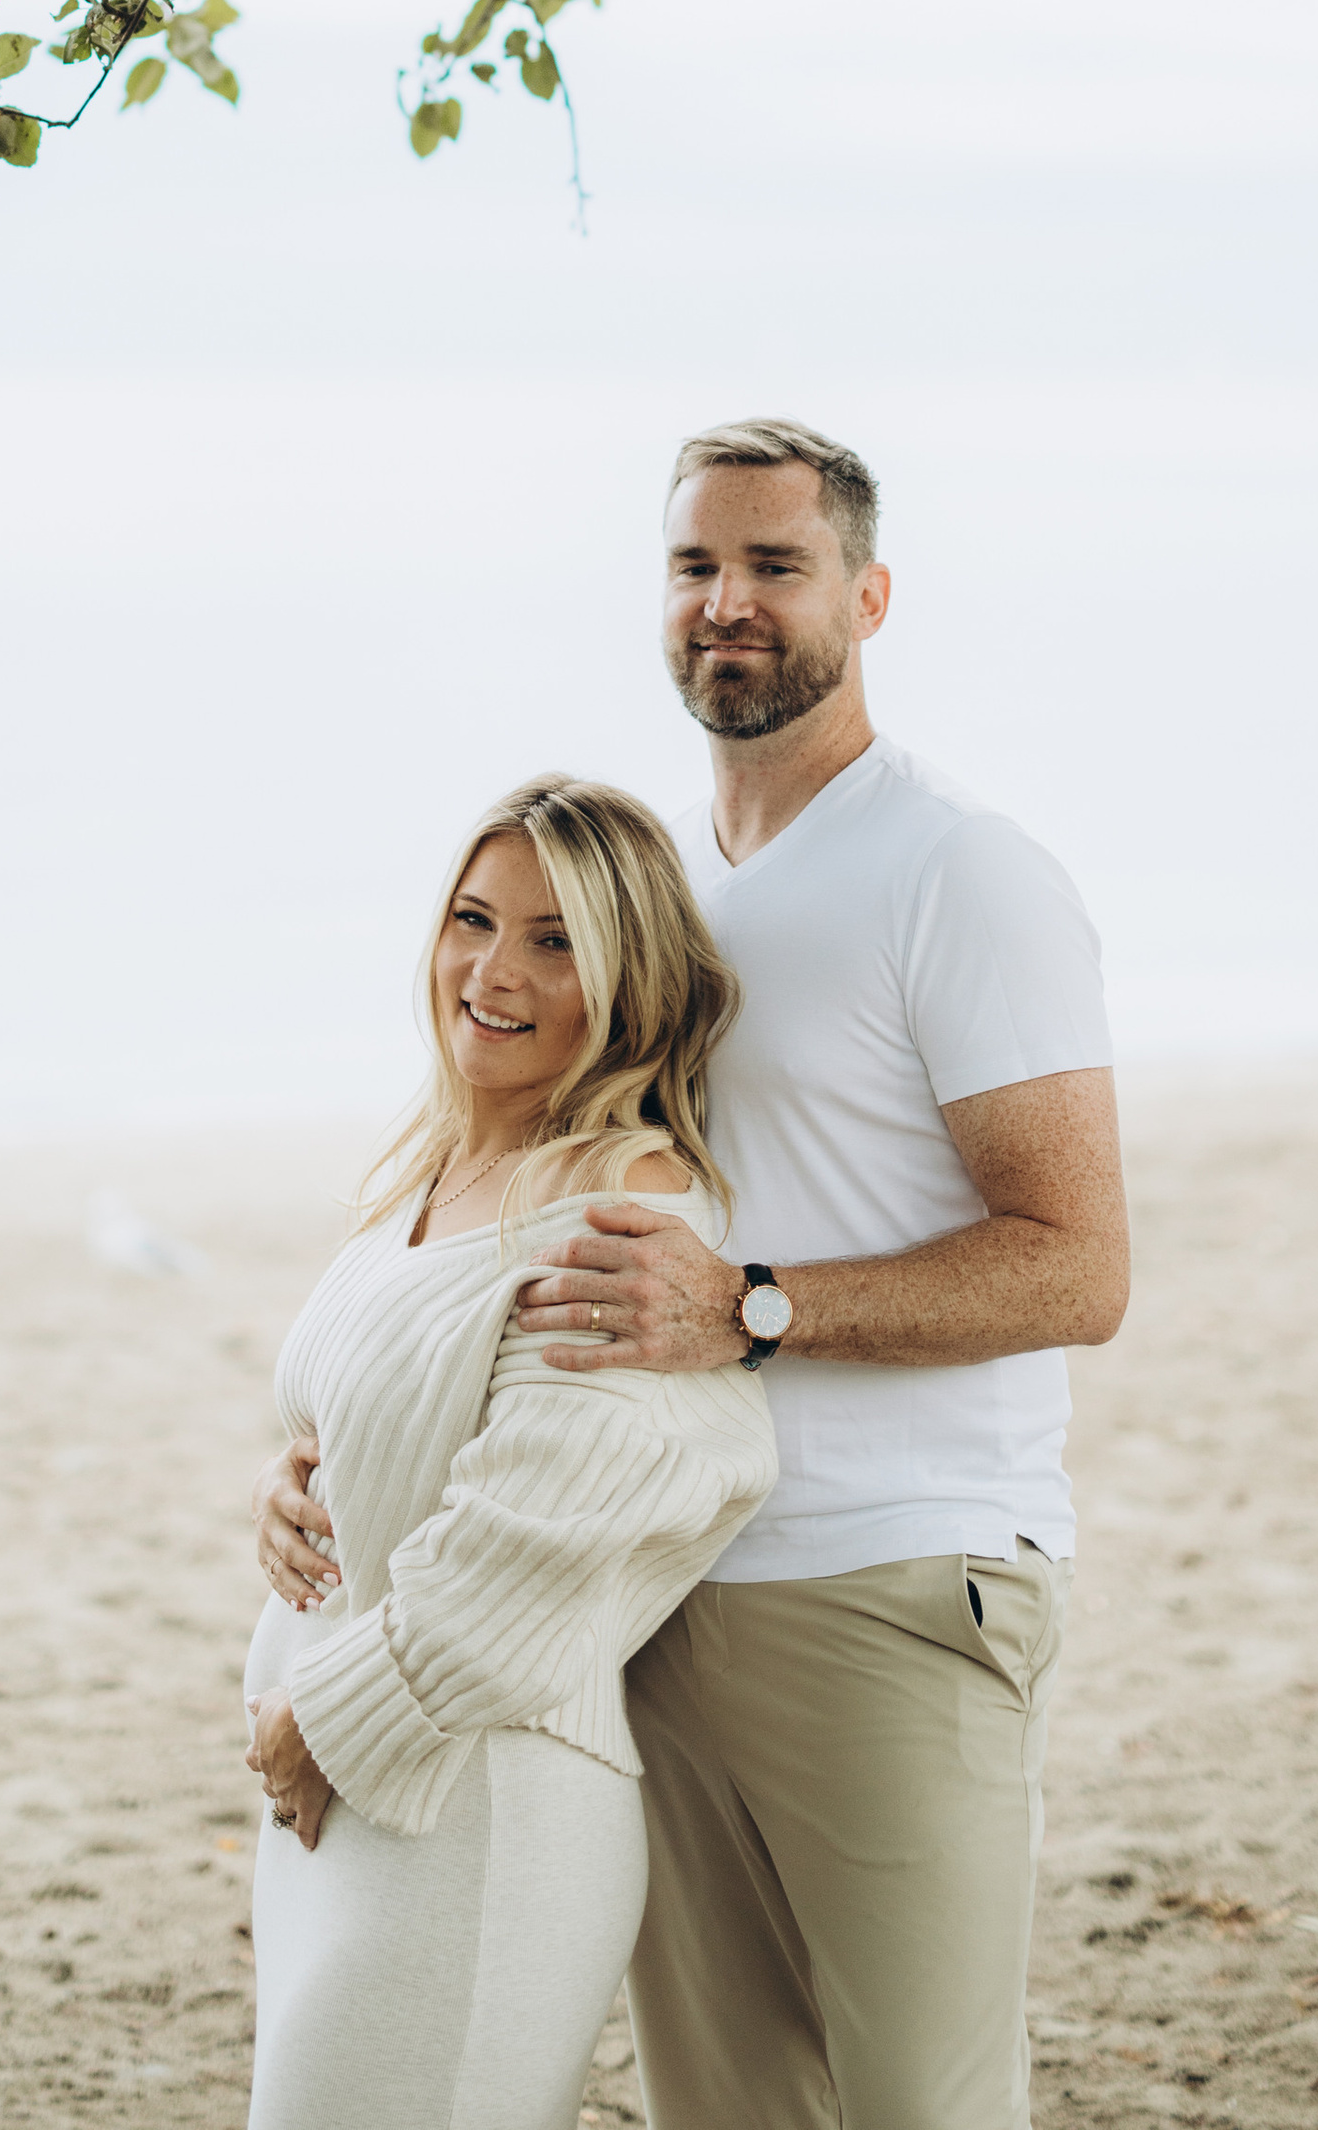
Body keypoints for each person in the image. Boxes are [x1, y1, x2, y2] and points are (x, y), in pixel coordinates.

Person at [257, 419, 1129, 2130]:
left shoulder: (959, 870)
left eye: (774, 565)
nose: (727, 602)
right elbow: (517, 1204)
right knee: (726, 2110)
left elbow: (1077, 1267)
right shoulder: (651, 879)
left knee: (923, 2107)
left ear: (868, 597)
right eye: (693, 565)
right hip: (645, 1597)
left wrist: (753, 1308)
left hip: (889, 1576)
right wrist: (338, 1453)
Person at [240, 774, 777, 2130]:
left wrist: (324, 1723)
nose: (493, 972)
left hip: (470, 1807)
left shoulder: (623, 1201)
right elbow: (383, 1410)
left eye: (556, 942)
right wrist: (293, 1483)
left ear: (629, 981)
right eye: (473, 920)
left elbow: (547, 1529)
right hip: (351, 1795)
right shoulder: (431, 1168)